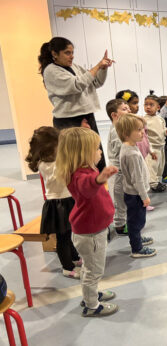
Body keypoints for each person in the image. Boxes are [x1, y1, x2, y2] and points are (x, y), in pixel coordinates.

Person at [55, 127, 119, 317]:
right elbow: (87, 188)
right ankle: (92, 305)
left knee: (90, 268)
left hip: (93, 231)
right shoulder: (81, 177)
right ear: (83, 153)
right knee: (94, 270)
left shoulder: (82, 171)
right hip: (90, 234)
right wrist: (100, 179)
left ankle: (91, 294)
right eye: (97, 148)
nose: (100, 151)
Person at [39, 37, 113, 171]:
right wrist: (97, 66)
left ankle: (99, 187)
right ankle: (81, 190)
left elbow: (95, 82)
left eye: (72, 53)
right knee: (79, 162)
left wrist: (102, 68)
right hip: (69, 120)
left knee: (96, 156)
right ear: (55, 54)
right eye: (67, 53)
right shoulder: (51, 70)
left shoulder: (74, 66)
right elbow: (77, 85)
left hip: (86, 115)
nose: (71, 56)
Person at [25, 126, 81, 279]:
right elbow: (63, 175)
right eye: (60, 145)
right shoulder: (48, 165)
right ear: (50, 148)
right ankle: (67, 267)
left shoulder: (55, 161)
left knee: (69, 233)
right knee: (63, 237)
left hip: (66, 200)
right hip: (59, 204)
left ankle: (75, 258)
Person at [115, 114, 157, 258]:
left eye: (143, 129)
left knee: (136, 220)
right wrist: (144, 196)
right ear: (126, 133)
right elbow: (137, 179)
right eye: (139, 130)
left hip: (133, 193)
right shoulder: (131, 153)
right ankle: (136, 249)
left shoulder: (129, 146)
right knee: (136, 221)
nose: (142, 133)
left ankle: (137, 238)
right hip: (136, 194)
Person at [106, 99, 131, 235]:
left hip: (122, 170)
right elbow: (123, 151)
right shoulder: (116, 131)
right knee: (118, 199)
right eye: (125, 109)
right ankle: (119, 225)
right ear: (114, 115)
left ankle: (123, 221)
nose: (129, 111)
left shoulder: (120, 127)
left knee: (123, 198)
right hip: (117, 172)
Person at [143, 92, 167, 192]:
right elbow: (143, 135)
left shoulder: (160, 119)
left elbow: (162, 129)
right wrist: (149, 149)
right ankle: (153, 183)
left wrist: (166, 131)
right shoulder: (143, 120)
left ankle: (158, 181)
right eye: (146, 104)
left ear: (158, 107)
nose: (148, 107)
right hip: (151, 148)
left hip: (161, 147)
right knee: (152, 166)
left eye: (151, 105)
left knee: (160, 166)